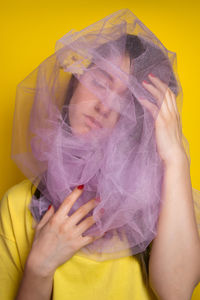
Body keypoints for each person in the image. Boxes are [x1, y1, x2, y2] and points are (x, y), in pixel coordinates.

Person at [1, 8, 200, 300]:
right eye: (100, 82)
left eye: (126, 100)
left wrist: (175, 157)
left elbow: (178, 292)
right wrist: (38, 270)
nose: (105, 106)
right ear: (75, 82)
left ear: (144, 121)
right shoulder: (18, 205)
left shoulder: (178, 201)